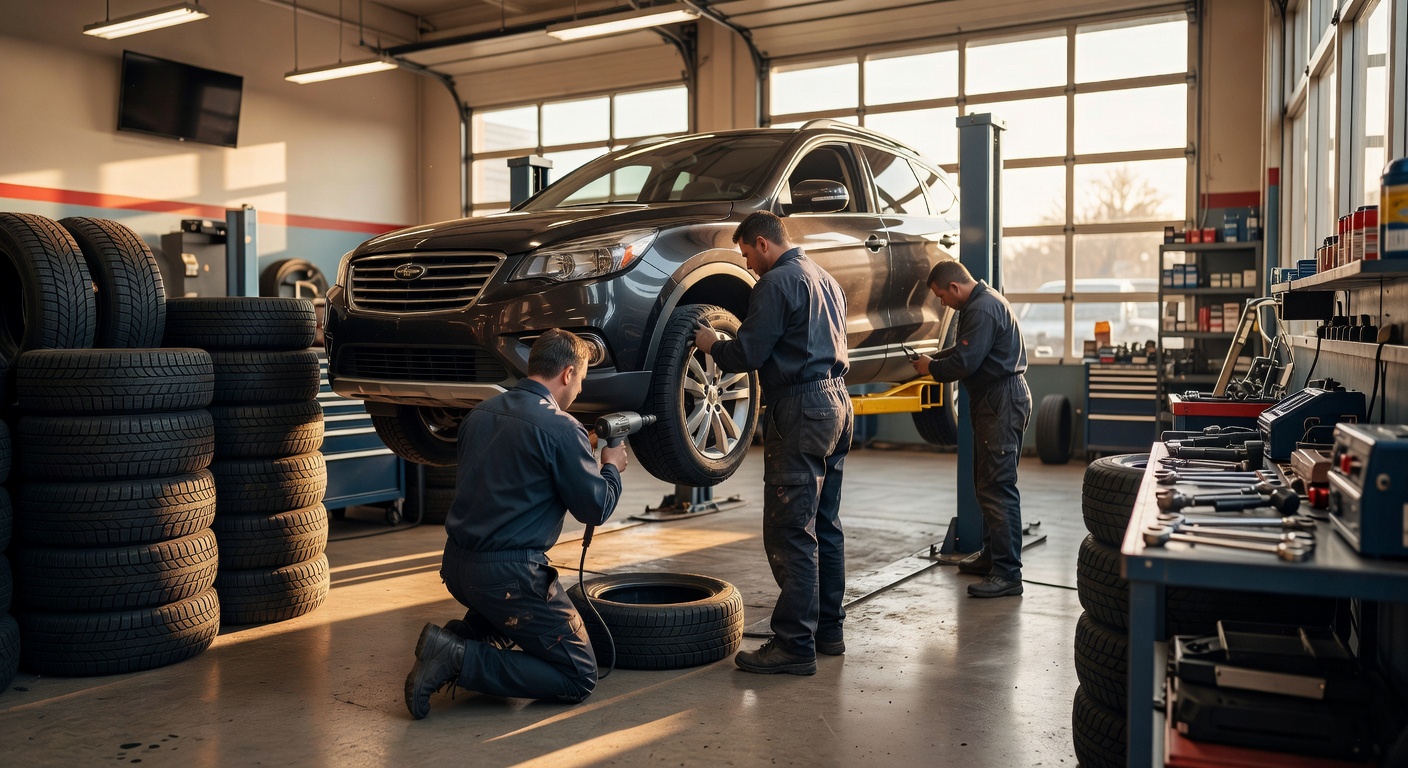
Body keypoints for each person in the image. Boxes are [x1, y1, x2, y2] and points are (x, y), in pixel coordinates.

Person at [404, 328, 628, 719]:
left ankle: (461, 637)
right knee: (578, 675)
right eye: (582, 380)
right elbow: (595, 508)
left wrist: (577, 453)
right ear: (568, 373)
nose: (578, 390)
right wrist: (610, 468)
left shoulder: (481, 412)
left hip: (457, 566)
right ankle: (457, 656)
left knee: (511, 612)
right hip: (508, 577)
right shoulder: (562, 428)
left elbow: (514, 474)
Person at [694, 210, 853, 676]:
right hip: (838, 404)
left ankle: (794, 646)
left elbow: (748, 352)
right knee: (826, 525)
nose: (748, 266)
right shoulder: (826, 279)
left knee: (790, 531)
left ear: (763, 243)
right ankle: (829, 631)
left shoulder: (776, 283)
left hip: (801, 407)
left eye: (746, 255)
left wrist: (711, 343)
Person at [910, 260, 1030, 598]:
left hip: (1001, 401)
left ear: (954, 288)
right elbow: (965, 350)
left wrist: (931, 368)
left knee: (998, 488)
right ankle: (994, 557)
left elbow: (965, 362)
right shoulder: (981, 303)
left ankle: (1008, 574)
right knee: (987, 485)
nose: (943, 304)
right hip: (995, 400)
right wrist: (933, 358)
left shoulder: (982, 309)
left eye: (941, 297)